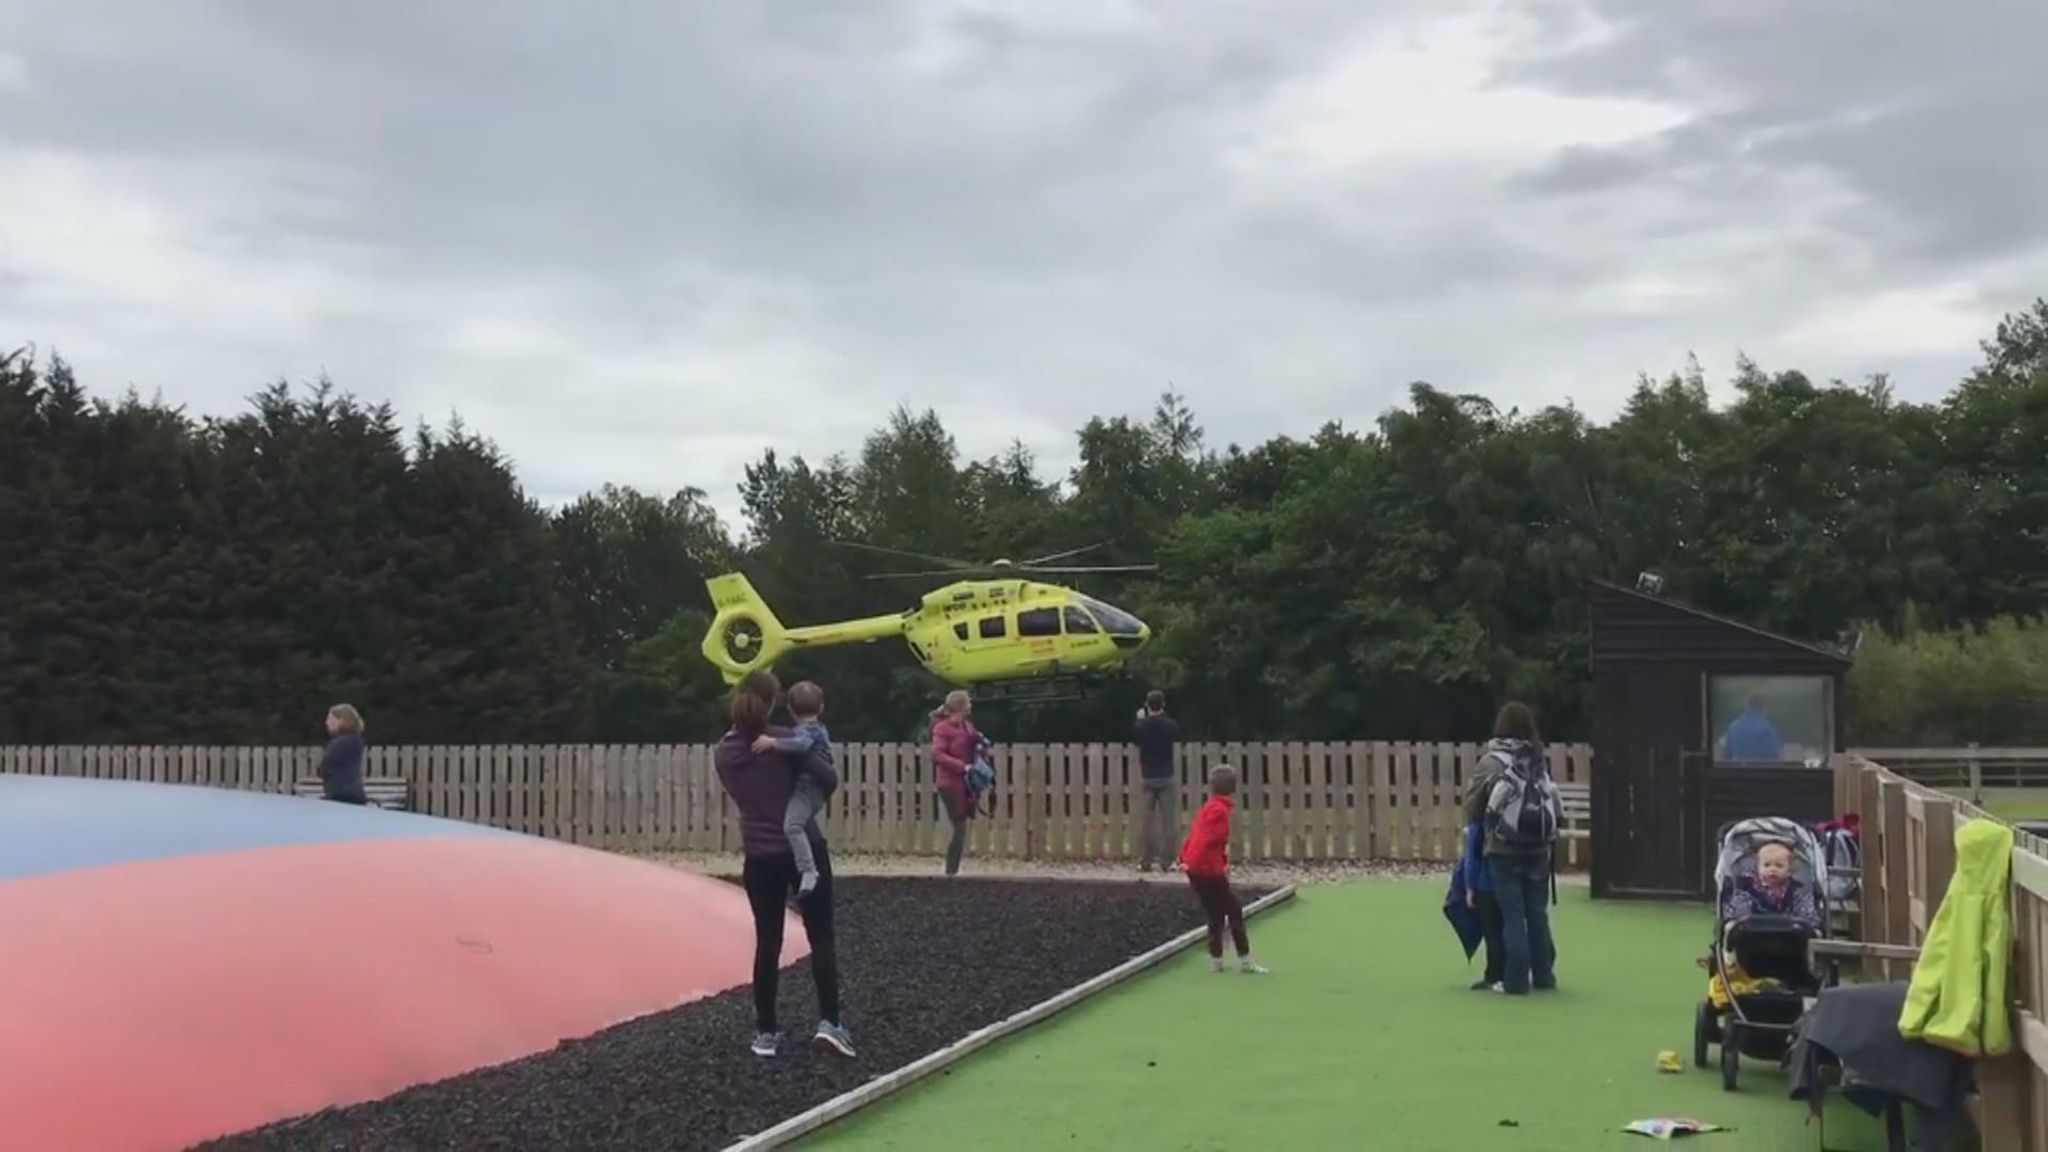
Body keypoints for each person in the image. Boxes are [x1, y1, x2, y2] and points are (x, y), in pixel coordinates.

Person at [714, 670, 855, 1060]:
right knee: (821, 936)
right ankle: (830, 1022)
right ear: (775, 703)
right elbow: (828, 778)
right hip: (802, 847)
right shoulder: (784, 741)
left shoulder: (725, 751)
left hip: (760, 856)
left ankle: (766, 1032)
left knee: (768, 941)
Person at [1460, 702, 1560, 995]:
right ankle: (1544, 976)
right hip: (1539, 849)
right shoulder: (1536, 759)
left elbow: (1473, 806)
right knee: (1537, 914)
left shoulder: (1491, 762)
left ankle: (1515, 980)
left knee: (1513, 916)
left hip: (1503, 849)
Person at [1179, 764, 1269, 974]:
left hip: (1197, 868)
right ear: (1234, 789)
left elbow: (1196, 836)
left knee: (1215, 913)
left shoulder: (1209, 806)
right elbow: (1206, 841)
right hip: (1206, 870)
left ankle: (1216, 959)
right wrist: (1208, 865)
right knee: (1234, 910)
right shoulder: (1219, 811)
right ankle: (1245, 960)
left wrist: (1185, 858)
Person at [752, 679, 834, 897]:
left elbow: (802, 746)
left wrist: (773, 743)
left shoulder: (809, 732)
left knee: (792, 826)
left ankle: (808, 870)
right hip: (812, 788)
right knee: (799, 824)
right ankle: (808, 868)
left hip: (809, 788)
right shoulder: (817, 728)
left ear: (789, 709)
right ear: (822, 708)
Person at [930, 689, 981, 877]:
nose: (970, 705)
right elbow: (937, 754)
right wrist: (962, 766)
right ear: (961, 706)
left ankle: (954, 868)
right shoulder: (942, 728)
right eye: (968, 702)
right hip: (949, 783)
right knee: (959, 825)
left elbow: (973, 743)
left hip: (964, 783)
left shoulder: (966, 726)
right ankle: (951, 871)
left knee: (961, 826)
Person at [1723, 841, 1821, 933]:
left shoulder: (1796, 890)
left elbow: (1806, 910)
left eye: (1779, 866)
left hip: (1787, 931)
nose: (1772, 869)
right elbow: (1740, 907)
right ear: (1757, 868)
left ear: (1789, 871)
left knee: (1814, 931)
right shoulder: (1748, 887)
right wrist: (1738, 919)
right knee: (1731, 926)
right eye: (1766, 865)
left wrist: (1811, 924)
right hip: (1753, 929)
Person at [1132, 690, 1181, 872]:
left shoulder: (1140, 726)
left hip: (1148, 776)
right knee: (1168, 821)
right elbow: (1174, 731)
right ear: (1163, 705)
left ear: (1146, 704)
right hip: (1166, 775)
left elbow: (1136, 737)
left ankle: (1144, 860)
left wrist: (1140, 718)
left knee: (1147, 821)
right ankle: (1168, 861)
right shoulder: (1171, 725)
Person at [1458, 816, 1506, 991]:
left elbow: (1472, 857)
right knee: (1512, 928)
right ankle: (1517, 972)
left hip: (1487, 884)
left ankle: (1495, 975)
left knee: (1493, 932)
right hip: (1514, 882)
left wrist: (1470, 887)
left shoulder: (1479, 824)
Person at [318, 704, 369, 805]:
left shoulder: (343, 743)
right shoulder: (354, 740)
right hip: (349, 794)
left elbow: (327, 766)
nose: (327, 722)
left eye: (330, 719)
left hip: (343, 796)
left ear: (342, 721)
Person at [1720, 693, 1785, 762]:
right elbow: (1775, 754)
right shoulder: (1768, 728)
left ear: (1747, 706)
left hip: (1740, 770)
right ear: (1764, 707)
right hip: (1762, 771)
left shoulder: (1733, 726)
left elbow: (1726, 754)